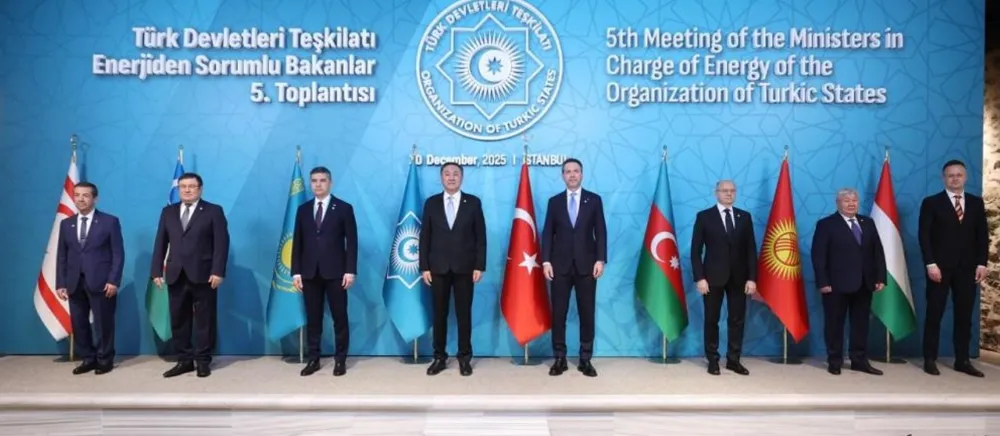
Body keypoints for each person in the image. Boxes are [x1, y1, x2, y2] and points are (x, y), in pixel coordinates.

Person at [151, 172, 229, 378]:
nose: (187, 190)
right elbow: (160, 241)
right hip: (175, 274)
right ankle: (184, 360)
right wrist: (156, 270)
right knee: (179, 320)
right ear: (178, 189)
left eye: (191, 186)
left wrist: (218, 271)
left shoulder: (213, 211)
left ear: (200, 189)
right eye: (183, 186)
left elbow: (221, 243)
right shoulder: (168, 212)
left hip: (204, 275)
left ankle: (203, 361)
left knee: (205, 320)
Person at [919, 159, 988, 377]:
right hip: (939, 269)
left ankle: (962, 360)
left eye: (959, 175)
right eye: (951, 175)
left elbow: (982, 235)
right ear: (944, 178)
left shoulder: (976, 203)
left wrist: (982, 263)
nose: (955, 179)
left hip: (968, 269)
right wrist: (930, 263)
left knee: (964, 316)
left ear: (965, 177)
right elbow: (924, 236)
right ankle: (929, 358)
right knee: (934, 314)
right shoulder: (931, 202)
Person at [541, 158, 607, 377]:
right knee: (558, 315)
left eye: (576, 171)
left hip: (587, 267)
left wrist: (600, 260)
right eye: (568, 171)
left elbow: (601, 231)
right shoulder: (554, 202)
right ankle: (559, 358)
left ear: (582, 174)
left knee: (587, 314)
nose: (572, 175)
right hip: (559, 267)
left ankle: (585, 359)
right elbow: (548, 233)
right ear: (562, 176)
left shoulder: (594, 200)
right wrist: (546, 261)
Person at [420, 162, 486, 376]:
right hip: (437, 268)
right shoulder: (431, 203)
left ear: (462, 177)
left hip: (465, 268)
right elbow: (425, 237)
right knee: (439, 314)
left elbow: (480, 237)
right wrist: (424, 266)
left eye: (455, 174)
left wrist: (479, 265)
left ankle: (464, 357)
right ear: (441, 178)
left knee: (463, 314)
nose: (451, 177)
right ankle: (439, 357)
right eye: (447, 174)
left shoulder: (473, 202)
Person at [811, 188, 886, 376]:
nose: (851, 203)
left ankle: (859, 360)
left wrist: (880, 277)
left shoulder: (868, 223)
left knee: (861, 325)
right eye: (846, 200)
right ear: (838, 203)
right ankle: (834, 361)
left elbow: (877, 252)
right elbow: (818, 256)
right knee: (834, 324)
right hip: (835, 285)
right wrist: (823, 281)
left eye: (854, 200)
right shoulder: (826, 224)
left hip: (864, 283)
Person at [292, 166, 358, 377]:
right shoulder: (303, 209)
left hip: (336, 273)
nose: (318, 184)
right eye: (314, 181)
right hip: (309, 273)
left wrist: (350, 270)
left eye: (322, 180)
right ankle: (313, 359)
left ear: (330, 183)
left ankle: (340, 359)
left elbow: (352, 242)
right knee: (313, 319)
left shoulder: (344, 208)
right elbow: (297, 241)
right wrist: (296, 272)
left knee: (340, 317)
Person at [55, 182, 124, 375]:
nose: (80, 199)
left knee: (103, 323)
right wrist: (61, 282)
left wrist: (113, 280)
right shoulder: (66, 224)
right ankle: (88, 358)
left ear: (95, 198)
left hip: (102, 282)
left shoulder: (109, 222)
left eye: (85, 195)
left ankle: (104, 359)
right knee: (79, 324)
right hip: (74, 282)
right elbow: (62, 255)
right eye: (77, 195)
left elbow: (118, 253)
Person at [689, 180, 756, 376]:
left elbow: (751, 250)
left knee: (737, 320)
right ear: (716, 193)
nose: (729, 194)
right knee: (712, 319)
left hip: (739, 278)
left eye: (732, 191)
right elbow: (695, 251)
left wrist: (752, 278)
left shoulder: (744, 217)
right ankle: (713, 359)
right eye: (725, 191)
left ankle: (734, 360)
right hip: (712, 278)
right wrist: (700, 278)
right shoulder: (704, 217)